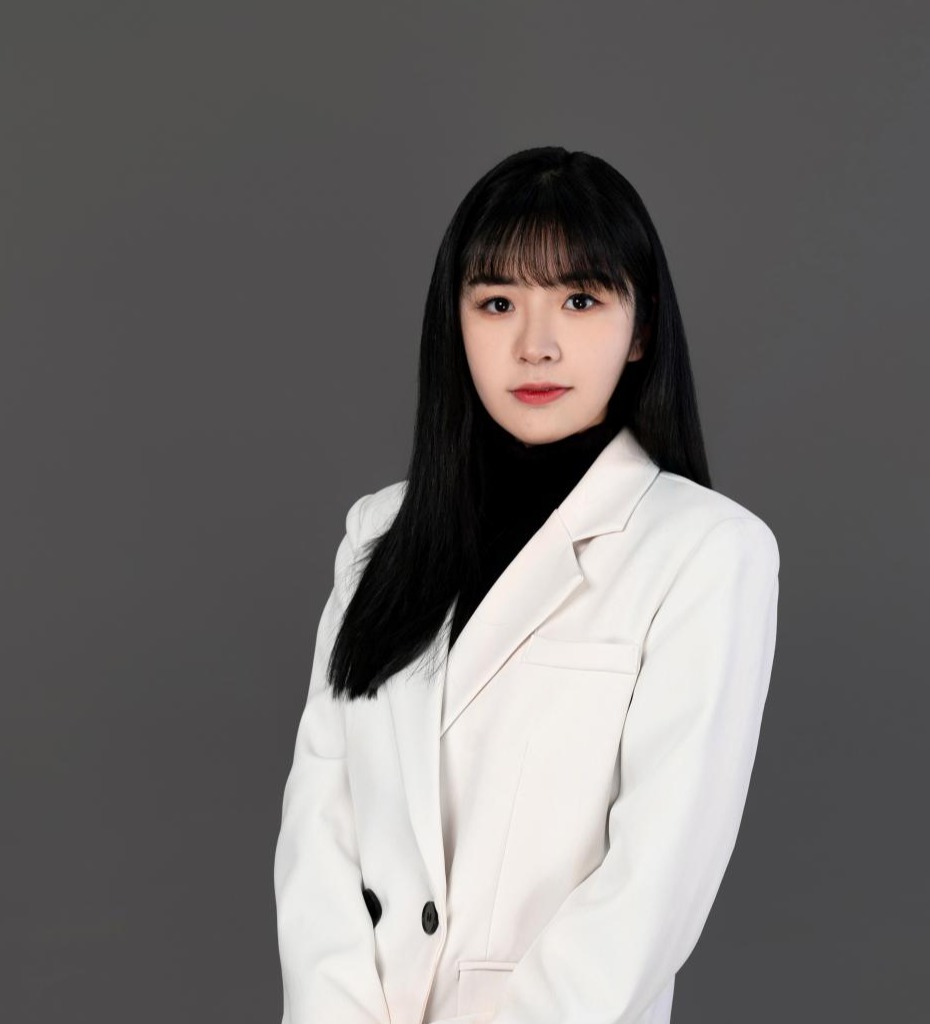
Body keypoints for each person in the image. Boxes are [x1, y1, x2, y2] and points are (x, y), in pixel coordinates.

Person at [273, 146, 781, 1024]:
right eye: (498, 302)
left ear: (641, 329)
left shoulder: (706, 551)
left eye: (580, 300)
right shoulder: (378, 535)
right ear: (456, 323)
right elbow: (321, 831)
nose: (534, 345)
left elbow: (652, 884)